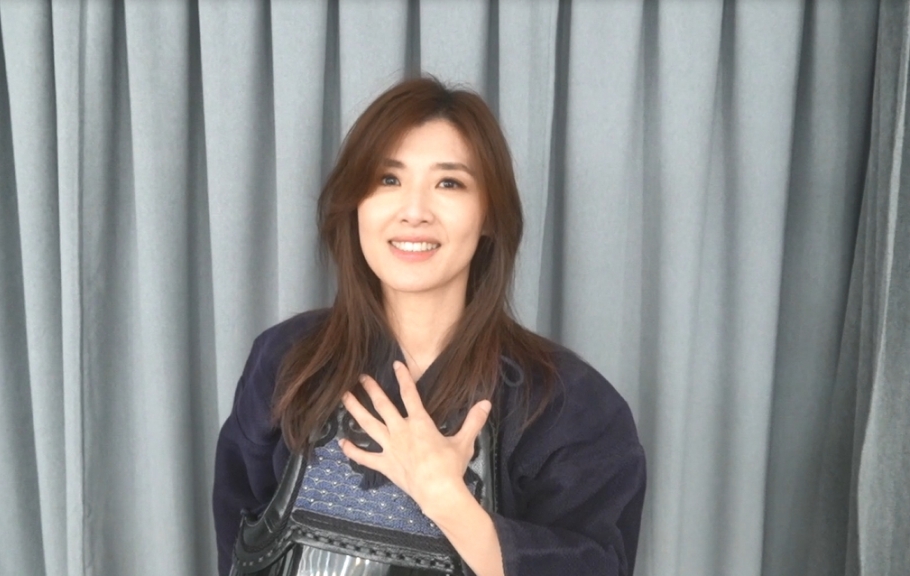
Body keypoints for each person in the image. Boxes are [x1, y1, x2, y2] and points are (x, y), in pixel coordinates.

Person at [213, 77, 646, 576]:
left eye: (449, 183)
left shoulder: (568, 403)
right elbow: (240, 544)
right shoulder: (285, 361)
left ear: (489, 215)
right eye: (388, 179)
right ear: (356, 204)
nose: (414, 212)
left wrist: (448, 502)